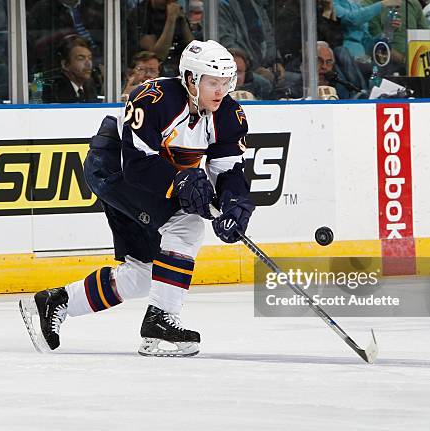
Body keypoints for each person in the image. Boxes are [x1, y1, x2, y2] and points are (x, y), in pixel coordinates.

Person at [20, 40, 255, 357]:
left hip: (147, 177)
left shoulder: (228, 113)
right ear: (190, 79)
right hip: (113, 169)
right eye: (213, 82)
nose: (220, 90)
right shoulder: (153, 99)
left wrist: (232, 204)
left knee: (145, 274)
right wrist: (180, 181)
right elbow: (137, 165)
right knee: (186, 227)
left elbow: (228, 170)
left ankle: (56, 301)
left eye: (226, 83)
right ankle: (159, 321)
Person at [126, 0, 194, 77]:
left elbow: (193, 47)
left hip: (180, 67)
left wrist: (183, 21)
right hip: (154, 71)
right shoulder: (141, 14)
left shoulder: (176, 10)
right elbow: (158, 55)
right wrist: (171, 19)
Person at [43, 35, 99, 103]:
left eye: (90, 58)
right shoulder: (55, 90)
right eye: (81, 58)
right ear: (65, 64)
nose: (88, 64)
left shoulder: (89, 87)